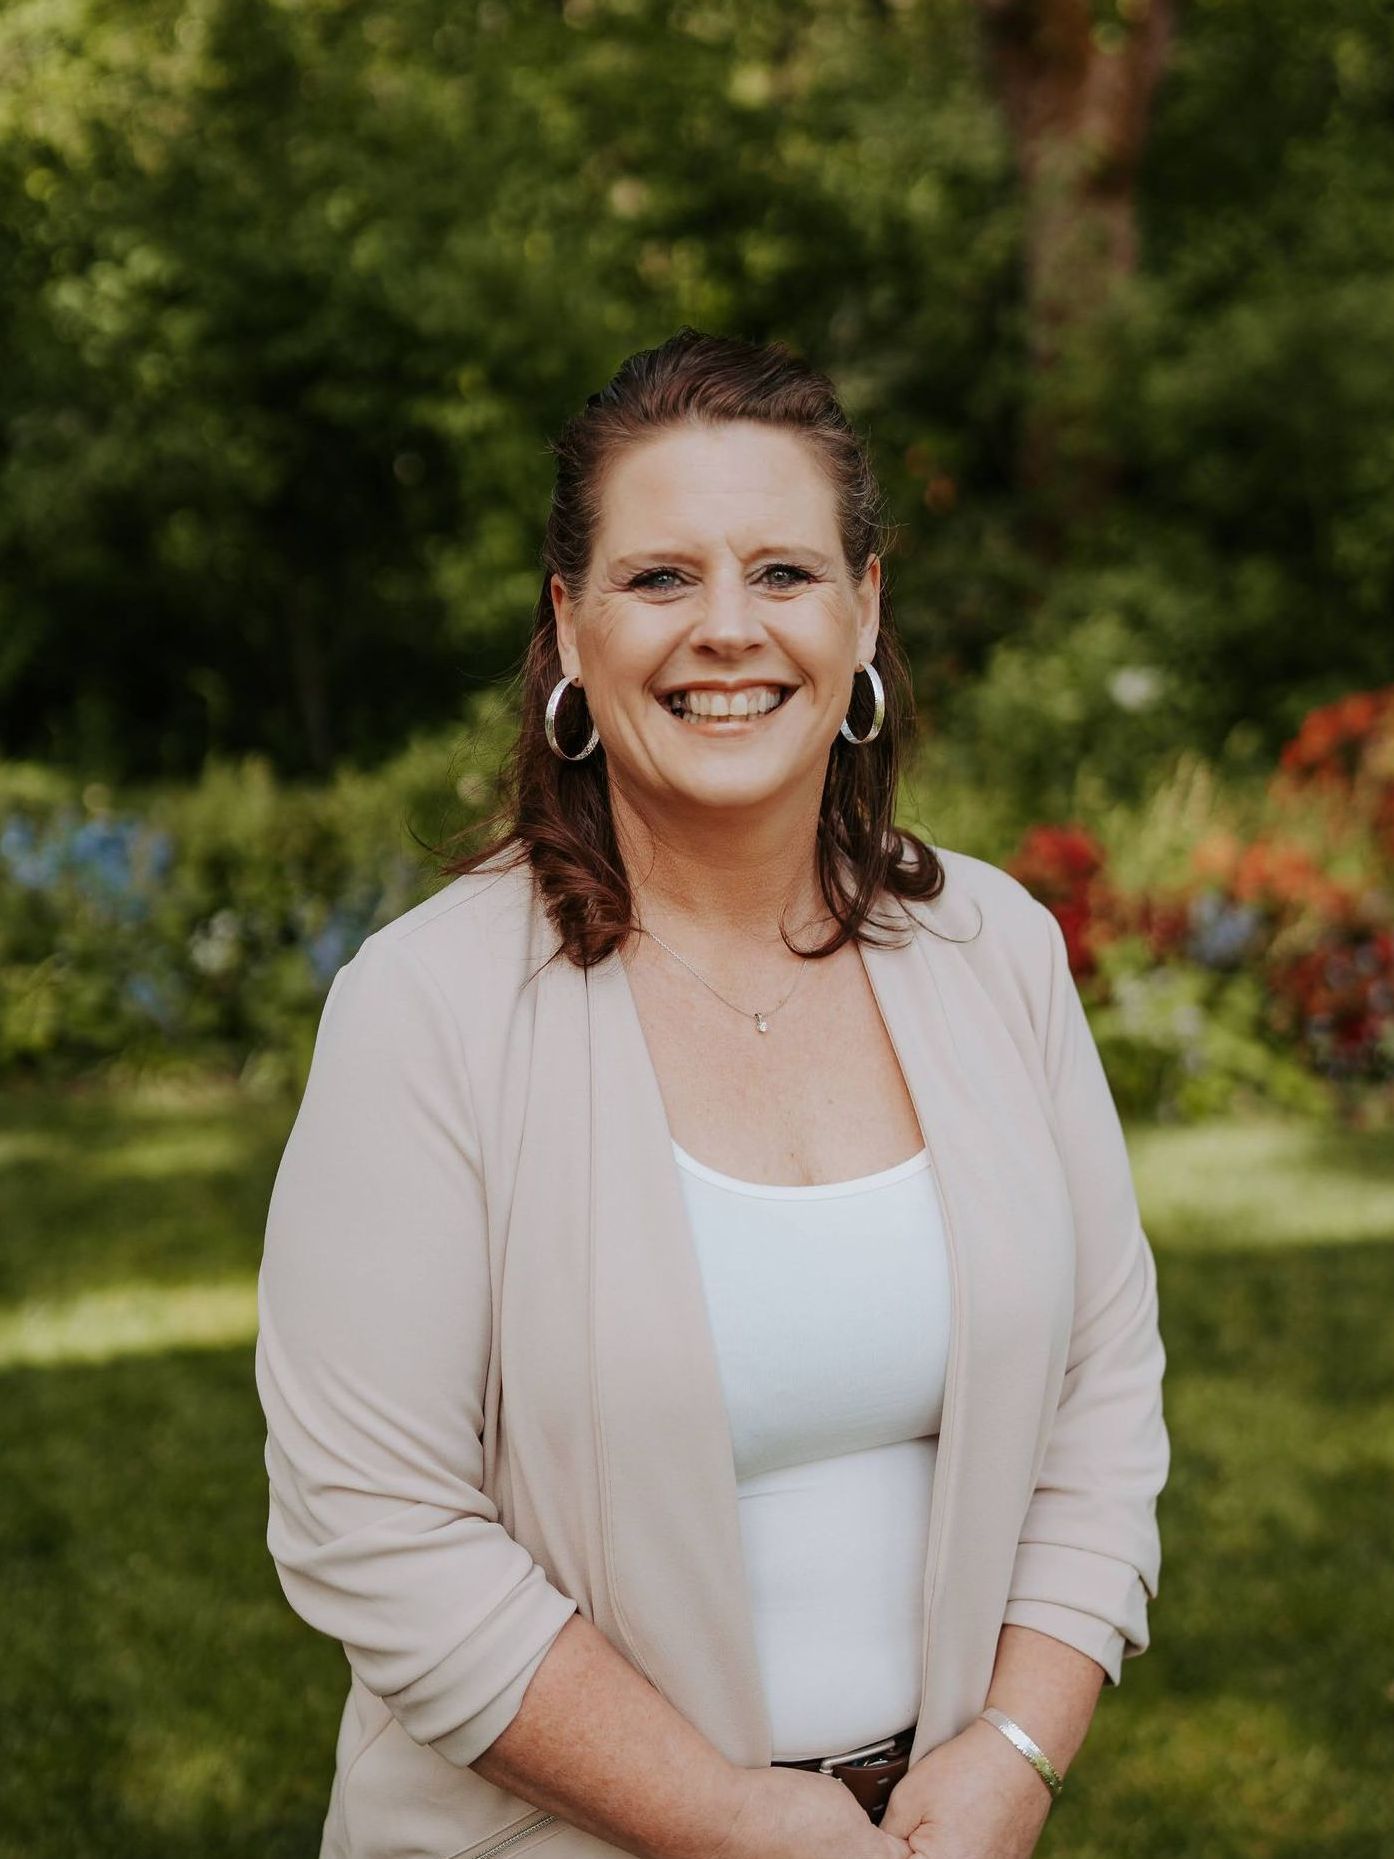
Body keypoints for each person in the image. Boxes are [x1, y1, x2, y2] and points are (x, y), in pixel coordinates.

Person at [255, 326, 1170, 1859]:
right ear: (569, 621)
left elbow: (1103, 1401)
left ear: (864, 608)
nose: (726, 631)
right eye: (659, 577)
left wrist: (1016, 1748)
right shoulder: (425, 1012)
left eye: (785, 574)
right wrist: (724, 1823)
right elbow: (374, 1527)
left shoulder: (993, 950)